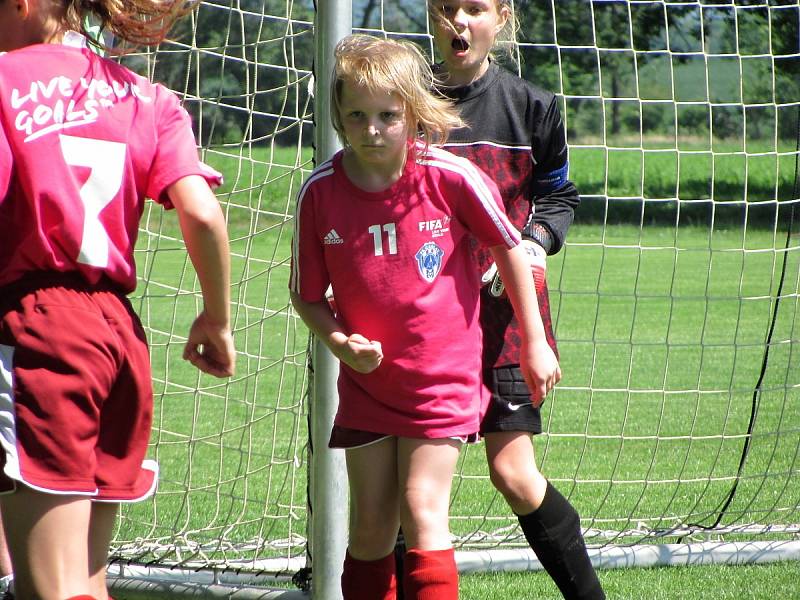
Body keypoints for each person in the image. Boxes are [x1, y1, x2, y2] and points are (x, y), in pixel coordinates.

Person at [290, 33, 560, 600]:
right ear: (337, 114)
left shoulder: (450, 177)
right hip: (367, 384)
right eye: (357, 114)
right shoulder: (320, 192)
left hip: (441, 376)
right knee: (369, 529)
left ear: (413, 112)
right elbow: (307, 295)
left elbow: (512, 250)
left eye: (388, 115)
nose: (372, 128)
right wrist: (339, 342)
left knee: (422, 510)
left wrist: (534, 340)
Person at [0, 1, 236, 599]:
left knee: (47, 589)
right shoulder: (146, 96)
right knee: (86, 579)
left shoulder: (3, 81)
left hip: (38, 330)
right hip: (118, 336)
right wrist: (217, 317)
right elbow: (204, 214)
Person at [427, 2, 607, 599]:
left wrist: (535, 245)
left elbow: (558, 197)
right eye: (445, 7)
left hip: (509, 315)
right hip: (426, 314)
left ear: (500, 18)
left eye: (473, 8)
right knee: (415, 481)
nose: (459, 20)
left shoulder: (534, 107)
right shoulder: (403, 99)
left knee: (514, 473)